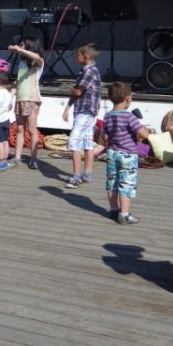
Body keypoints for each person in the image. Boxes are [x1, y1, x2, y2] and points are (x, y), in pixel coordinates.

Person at [101, 82, 150, 224]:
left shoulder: (107, 116)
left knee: (112, 182)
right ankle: (124, 214)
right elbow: (144, 134)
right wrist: (144, 128)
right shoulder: (130, 117)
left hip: (112, 153)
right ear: (128, 99)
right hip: (127, 156)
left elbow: (105, 137)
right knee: (126, 184)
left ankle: (114, 210)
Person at [62, 42, 101, 188]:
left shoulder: (90, 71)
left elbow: (78, 91)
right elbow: (77, 93)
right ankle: (87, 173)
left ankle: (76, 175)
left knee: (75, 140)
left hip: (86, 111)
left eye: (78, 55)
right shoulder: (84, 71)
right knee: (87, 141)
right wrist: (67, 108)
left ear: (85, 57)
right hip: (85, 111)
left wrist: (70, 88)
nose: (76, 57)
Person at [9, 36, 44, 169]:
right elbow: (18, 82)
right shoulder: (22, 63)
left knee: (32, 129)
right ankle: (17, 157)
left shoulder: (37, 62)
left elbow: (38, 58)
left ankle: (33, 159)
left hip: (32, 99)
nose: (20, 47)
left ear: (30, 46)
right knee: (19, 129)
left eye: (22, 45)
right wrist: (10, 97)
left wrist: (19, 50)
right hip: (20, 99)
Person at [0, 71, 14, 171]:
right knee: (5, 141)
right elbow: (10, 106)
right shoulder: (8, 93)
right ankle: (5, 159)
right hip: (6, 120)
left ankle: (0, 162)